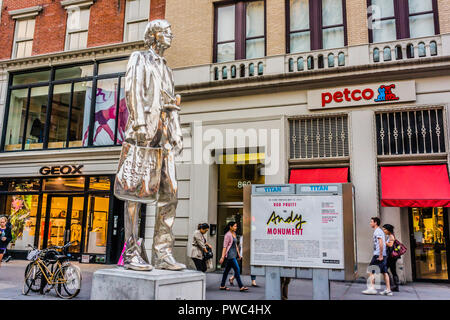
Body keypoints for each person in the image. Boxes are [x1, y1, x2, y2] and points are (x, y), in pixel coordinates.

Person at [362, 217, 392, 296]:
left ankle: (372, 288)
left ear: (375, 223)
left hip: (378, 254)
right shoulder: (379, 231)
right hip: (381, 254)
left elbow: (381, 243)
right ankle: (388, 290)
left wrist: (381, 255)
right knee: (384, 272)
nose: (370, 223)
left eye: (371, 222)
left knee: (370, 270)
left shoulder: (377, 231)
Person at [219, 221, 249, 292]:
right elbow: (225, 246)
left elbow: (235, 245)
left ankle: (222, 285)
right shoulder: (227, 235)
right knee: (237, 269)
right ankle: (241, 286)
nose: (236, 227)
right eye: (235, 226)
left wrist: (238, 253)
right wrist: (222, 257)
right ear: (230, 226)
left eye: (236, 226)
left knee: (226, 271)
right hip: (230, 255)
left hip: (234, 254)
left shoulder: (234, 233)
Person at [383, 224, 400, 292]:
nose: (383, 230)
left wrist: (383, 242)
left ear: (388, 230)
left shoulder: (391, 236)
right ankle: (395, 286)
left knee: (385, 270)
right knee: (393, 271)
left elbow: (391, 245)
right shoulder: (390, 235)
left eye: (384, 229)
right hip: (391, 257)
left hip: (391, 257)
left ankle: (391, 285)